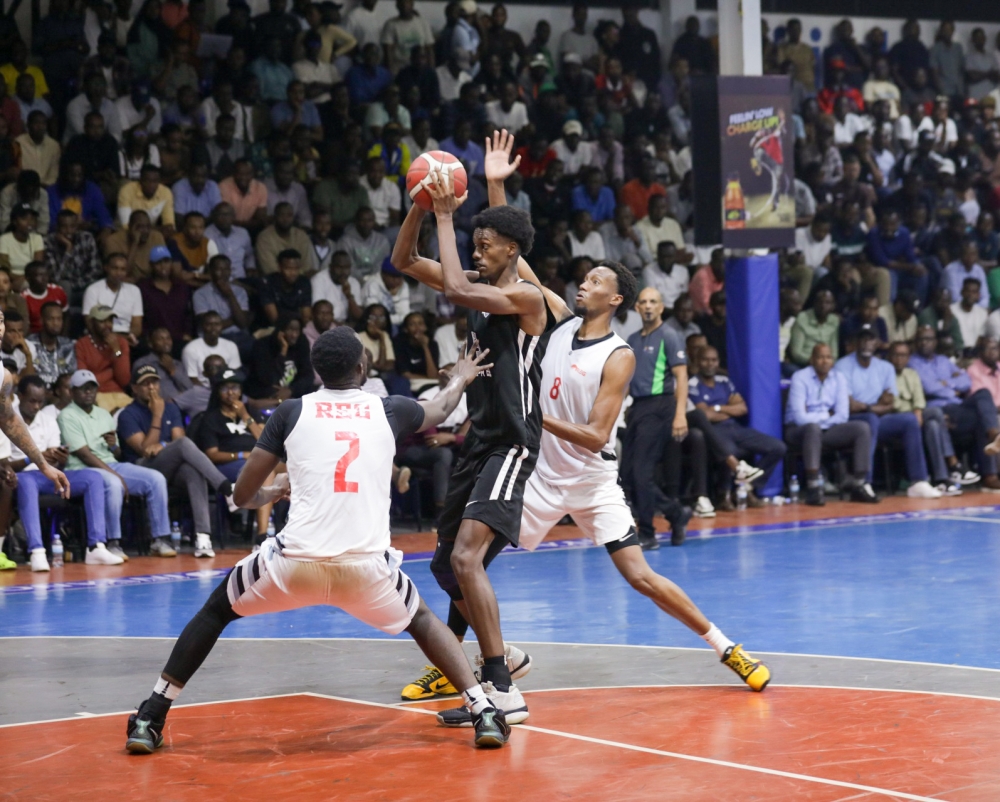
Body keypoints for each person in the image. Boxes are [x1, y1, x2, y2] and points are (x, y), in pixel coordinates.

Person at [126, 328, 510, 753]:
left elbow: (242, 495)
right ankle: (483, 710)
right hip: (366, 567)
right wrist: (462, 375)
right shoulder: (390, 409)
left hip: (294, 562)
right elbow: (442, 405)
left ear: (315, 372)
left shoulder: (290, 411)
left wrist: (270, 492)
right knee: (420, 619)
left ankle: (151, 716)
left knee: (215, 611)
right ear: (362, 368)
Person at [391, 130, 558, 722]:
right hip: (476, 443)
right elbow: (404, 261)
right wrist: (418, 203)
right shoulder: (493, 285)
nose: (475, 250)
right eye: (473, 241)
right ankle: (504, 655)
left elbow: (458, 284)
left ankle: (500, 689)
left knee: (466, 559)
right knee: (445, 565)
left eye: (484, 244)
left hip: (514, 443)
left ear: (510, 251)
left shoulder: (527, 297)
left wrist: (445, 212)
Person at [118, 364, 238, 558]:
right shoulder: (127, 415)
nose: (151, 387)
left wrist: (164, 446)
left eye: (154, 382)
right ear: (134, 388)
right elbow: (145, 450)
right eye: (145, 383)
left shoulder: (171, 407)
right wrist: (157, 415)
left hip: (169, 466)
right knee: (183, 445)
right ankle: (227, 489)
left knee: (193, 471)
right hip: (142, 470)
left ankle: (203, 537)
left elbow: (178, 440)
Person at [58, 368, 176, 557]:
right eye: (82, 389)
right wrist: (116, 475)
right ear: (72, 392)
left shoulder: (104, 414)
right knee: (113, 483)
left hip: (110, 464)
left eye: (92, 388)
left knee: (156, 479)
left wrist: (113, 446)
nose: (88, 392)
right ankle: (113, 543)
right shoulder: (67, 415)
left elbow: (117, 452)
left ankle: (160, 538)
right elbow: (84, 454)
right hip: (84, 469)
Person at [12, 374, 120, 571]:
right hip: (20, 477)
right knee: (27, 481)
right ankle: (37, 551)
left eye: (40, 401)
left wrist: (58, 459)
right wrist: (33, 458)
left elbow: (54, 463)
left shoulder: (48, 420)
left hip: (47, 475)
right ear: (19, 396)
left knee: (93, 477)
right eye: (32, 401)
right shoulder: (8, 419)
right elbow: (6, 465)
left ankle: (96, 546)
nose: (36, 406)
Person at [836, 326, 941, 498]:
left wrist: (869, 407)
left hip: (877, 418)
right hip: (851, 421)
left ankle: (918, 481)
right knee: (870, 419)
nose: (867, 344)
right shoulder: (843, 366)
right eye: (863, 339)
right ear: (855, 343)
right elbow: (849, 406)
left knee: (909, 420)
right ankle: (864, 482)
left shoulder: (885, 368)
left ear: (877, 343)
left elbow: (890, 403)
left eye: (871, 339)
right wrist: (875, 406)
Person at [689, 345, 787, 503]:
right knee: (729, 451)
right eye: (705, 360)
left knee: (778, 447)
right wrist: (727, 410)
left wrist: (718, 408)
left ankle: (748, 486)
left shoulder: (724, 381)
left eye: (713, 360)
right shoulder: (693, 384)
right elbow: (704, 415)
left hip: (735, 427)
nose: (710, 364)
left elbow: (742, 408)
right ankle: (725, 495)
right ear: (698, 362)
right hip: (715, 432)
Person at [910, 325, 1000, 491]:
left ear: (935, 342)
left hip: (958, 408)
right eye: (921, 339)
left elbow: (966, 381)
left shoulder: (943, 361)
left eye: (929, 339)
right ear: (915, 342)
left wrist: (945, 384)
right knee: (980, 415)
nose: (924, 343)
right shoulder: (913, 363)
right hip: (939, 409)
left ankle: (993, 436)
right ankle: (987, 472)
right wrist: (952, 385)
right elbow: (929, 387)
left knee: (983, 394)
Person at [785, 343, 877, 506]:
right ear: (812, 360)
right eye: (820, 357)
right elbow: (800, 418)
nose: (825, 361)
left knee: (862, 428)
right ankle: (813, 488)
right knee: (812, 428)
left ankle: (859, 485)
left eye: (828, 357)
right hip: (797, 431)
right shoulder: (800, 377)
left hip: (827, 430)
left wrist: (817, 417)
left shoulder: (838, 378)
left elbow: (842, 415)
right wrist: (827, 414)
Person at [889, 340, 965, 496]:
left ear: (908, 357)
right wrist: (916, 412)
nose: (899, 359)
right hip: (896, 417)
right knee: (936, 412)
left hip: (916, 415)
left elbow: (919, 399)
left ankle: (941, 479)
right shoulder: (885, 372)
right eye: (896, 355)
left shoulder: (912, 373)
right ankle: (953, 462)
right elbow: (894, 403)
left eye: (903, 355)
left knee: (933, 425)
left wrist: (918, 411)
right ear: (890, 357)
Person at [246, 316, 314, 401]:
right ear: (280, 330)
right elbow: (268, 379)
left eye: (297, 330)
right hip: (265, 395)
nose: (294, 335)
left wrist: (291, 390)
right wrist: (283, 352)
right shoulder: (262, 346)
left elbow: (308, 375)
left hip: (291, 394)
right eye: (290, 329)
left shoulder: (301, 342)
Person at [83, 253, 143, 344]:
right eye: (115, 268)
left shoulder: (134, 290)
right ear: (106, 268)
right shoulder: (93, 290)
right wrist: (113, 339)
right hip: (100, 338)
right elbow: (90, 323)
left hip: (126, 340)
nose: (118, 273)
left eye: (123, 269)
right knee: (117, 353)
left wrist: (122, 339)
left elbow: (137, 326)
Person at [182, 311, 241, 386]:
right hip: (201, 391)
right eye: (209, 324)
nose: (213, 328)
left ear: (222, 326)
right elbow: (192, 379)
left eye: (217, 324)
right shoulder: (190, 349)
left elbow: (234, 373)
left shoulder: (231, 346)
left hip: (226, 389)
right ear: (203, 326)